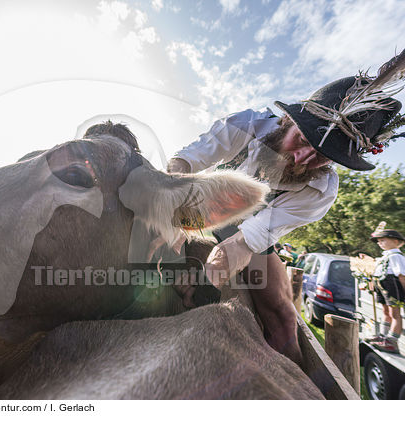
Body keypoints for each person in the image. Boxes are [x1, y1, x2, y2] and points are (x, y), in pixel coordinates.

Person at [167, 67, 404, 364]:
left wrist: (206, 282)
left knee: (280, 311)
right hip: (203, 207)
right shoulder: (246, 124)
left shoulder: (321, 190)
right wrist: (171, 209)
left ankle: (297, 376)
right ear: (287, 120)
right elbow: (185, 162)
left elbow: (243, 242)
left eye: (322, 155)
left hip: (250, 231)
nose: (303, 160)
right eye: (303, 140)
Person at [365, 223, 405, 353]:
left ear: (395, 241)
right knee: (386, 312)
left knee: (395, 314)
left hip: (392, 286)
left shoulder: (396, 257)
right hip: (382, 286)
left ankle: (392, 342)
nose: (379, 243)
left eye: (382, 240)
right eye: (378, 241)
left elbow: (401, 275)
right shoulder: (384, 257)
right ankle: (383, 336)